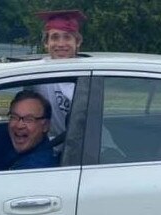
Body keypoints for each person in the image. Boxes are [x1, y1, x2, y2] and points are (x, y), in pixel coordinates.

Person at [33, 9, 125, 162]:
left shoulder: (88, 75)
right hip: (58, 149)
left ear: (78, 42)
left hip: (97, 150)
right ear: (46, 43)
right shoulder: (36, 74)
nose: (61, 44)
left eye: (67, 37)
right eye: (55, 37)